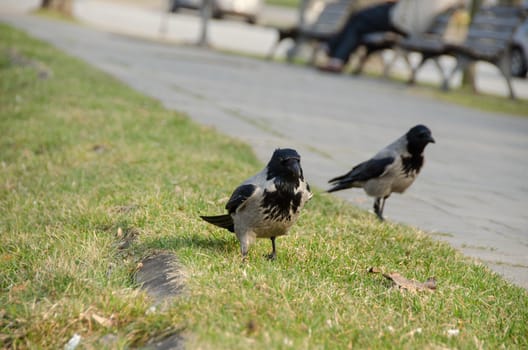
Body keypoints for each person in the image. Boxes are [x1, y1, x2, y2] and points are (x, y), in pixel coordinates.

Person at [318, 0, 464, 73]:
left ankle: (334, 54)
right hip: (416, 21)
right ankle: (334, 52)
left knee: (359, 18)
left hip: (403, 18)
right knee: (360, 21)